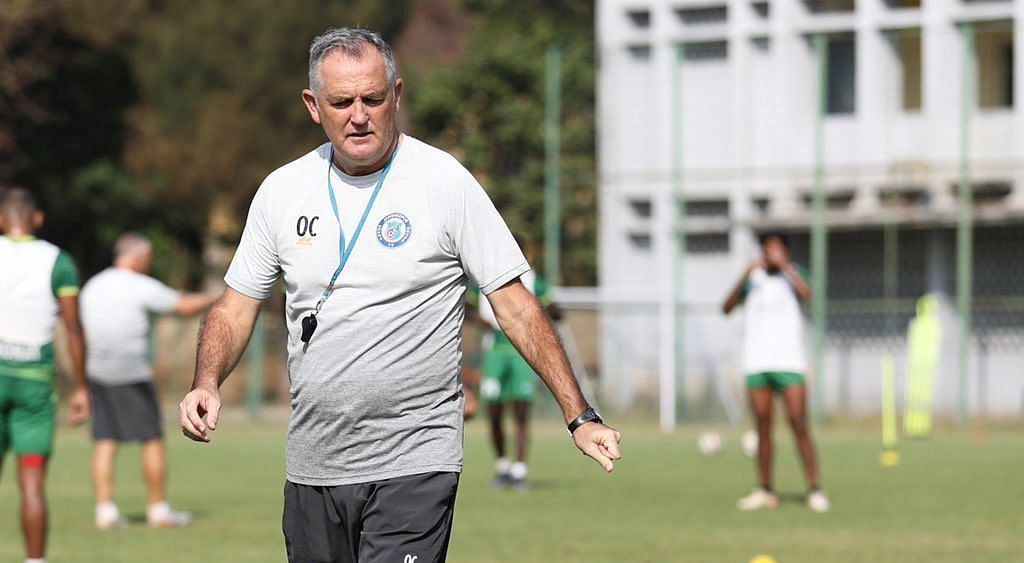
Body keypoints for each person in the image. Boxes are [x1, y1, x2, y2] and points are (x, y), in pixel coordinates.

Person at [178, 27, 621, 563]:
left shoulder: (445, 182)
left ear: (397, 95)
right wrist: (206, 381)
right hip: (315, 465)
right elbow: (235, 305)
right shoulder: (282, 190)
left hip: (417, 458)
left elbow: (516, 305)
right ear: (313, 106)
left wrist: (579, 415)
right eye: (341, 102)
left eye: (373, 98)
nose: (358, 115)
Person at [80, 232, 217, 529]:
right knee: (152, 440)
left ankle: (105, 511)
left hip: (98, 373)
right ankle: (158, 510)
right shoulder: (138, 285)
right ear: (139, 257)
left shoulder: (93, 285)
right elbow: (183, 306)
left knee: (105, 441)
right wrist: (224, 296)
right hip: (132, 374)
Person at [0, 186, 90, 563]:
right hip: (35, 384)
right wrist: (81, 388)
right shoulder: (59, 261)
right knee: (32, 483)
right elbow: (72, 330)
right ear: (37, 219)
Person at [722, 232, 830, 513]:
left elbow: (808, 294)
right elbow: (727, 308)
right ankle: (765, 489)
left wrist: (785, 267)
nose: (770, 253)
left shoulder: (794, 275)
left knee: (798, 422)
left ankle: (815, 489)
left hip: (790, 362)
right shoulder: (753, 280)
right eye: (766, 248)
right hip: (757, 363)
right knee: (763, 427)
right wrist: (745, 274)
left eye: (776, 248)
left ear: (785, 252)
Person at [474, 240, 561, 492]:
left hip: (523, 352)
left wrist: (545, 312)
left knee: (522, 410)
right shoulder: (483, 280)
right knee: (494, 411)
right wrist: (479, 320)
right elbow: (466, 306)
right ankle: (502, 466)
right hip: (495, 352)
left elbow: (555, 309)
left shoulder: (533, 280)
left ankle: (520, 469)